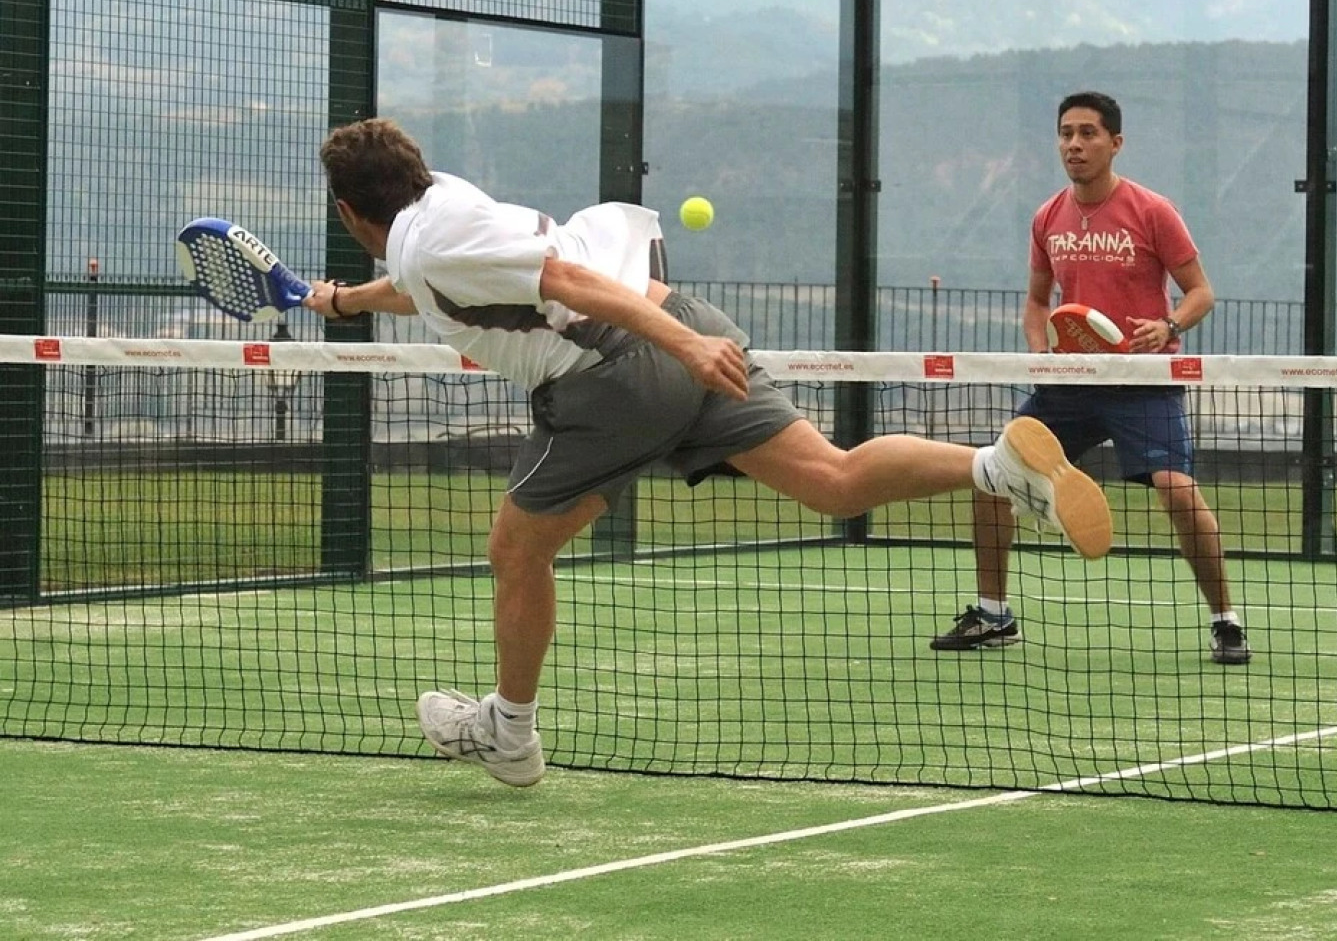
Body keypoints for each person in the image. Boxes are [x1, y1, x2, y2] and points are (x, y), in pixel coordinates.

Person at [308, 117, 1114, 787]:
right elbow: (429, 281)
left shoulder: (430, 242)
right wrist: (346, 300)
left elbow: (566, 284)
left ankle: (510, 737)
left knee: (516, 550)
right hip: (676, 316)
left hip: (617, 374)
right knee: (832, 480)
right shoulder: (444, 201)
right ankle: (992, 468)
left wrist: (687, 351)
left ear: (350, 213)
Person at [930, 91, 1252, 665]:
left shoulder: (1152, 211)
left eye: (1087, 134)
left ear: (1115, 143)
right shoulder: (1047, 217)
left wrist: (1168, 323)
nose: (1074, 145)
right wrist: (1040, 355)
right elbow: (1035, 304)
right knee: (990, 477)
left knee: (1177, 492)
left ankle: (1225, 620)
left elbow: (1201, 291)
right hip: (1067, 386)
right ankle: (994, 614)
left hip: (1140, 381)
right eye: (1066, 134)